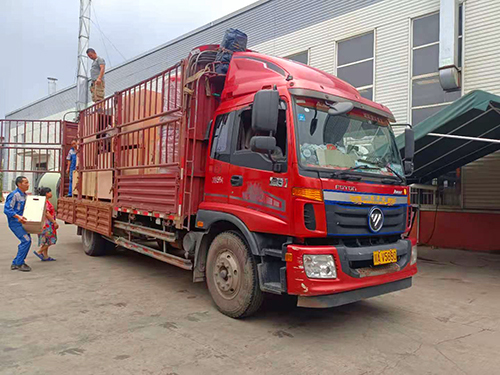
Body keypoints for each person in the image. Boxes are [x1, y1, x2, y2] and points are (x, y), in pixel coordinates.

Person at [4, 176, 32, 272]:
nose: (28, 184)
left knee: (27, 241)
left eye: (28, 182)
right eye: (26, 183)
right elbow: (7, 210)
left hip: (22, 222)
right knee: (26, 241)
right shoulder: (14, 195)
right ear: (19, 184)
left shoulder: (25, 195)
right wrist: (18, 217)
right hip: (15, 223)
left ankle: (17, 262)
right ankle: (19, 263)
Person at [33, 187, 58, 262]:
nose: (51, 193)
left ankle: (45, 256)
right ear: (47, 194)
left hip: (44, 223)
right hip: (47, 224)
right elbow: (47, 214)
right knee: (51, 239)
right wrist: (54, 222)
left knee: (46, 240)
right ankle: (39, 251)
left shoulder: (44, 201)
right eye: (50, 192)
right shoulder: (45, 202)